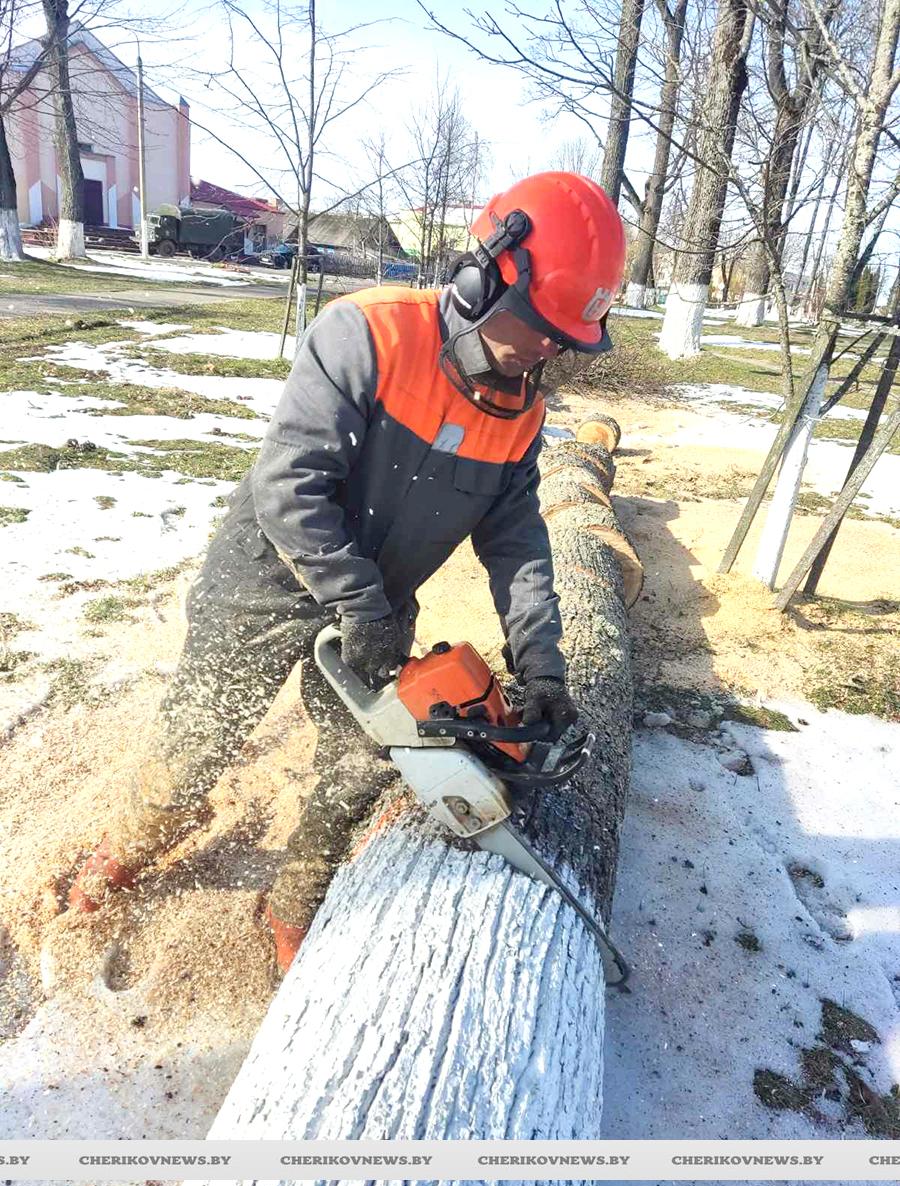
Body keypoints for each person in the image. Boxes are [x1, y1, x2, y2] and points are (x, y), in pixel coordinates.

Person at [67, 171, 626, 972]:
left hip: (380, 603)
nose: (546, 349)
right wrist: (358, 602)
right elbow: (289, 485)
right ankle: (127, 849)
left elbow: (519, 546)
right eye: (538, 325)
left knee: (361, 760)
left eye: (562, 338)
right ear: (483, 277)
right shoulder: (368, 334)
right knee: (201, 737)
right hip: (269, 574)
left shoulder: (520, 414)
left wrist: (542, 669)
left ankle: (294, 899)